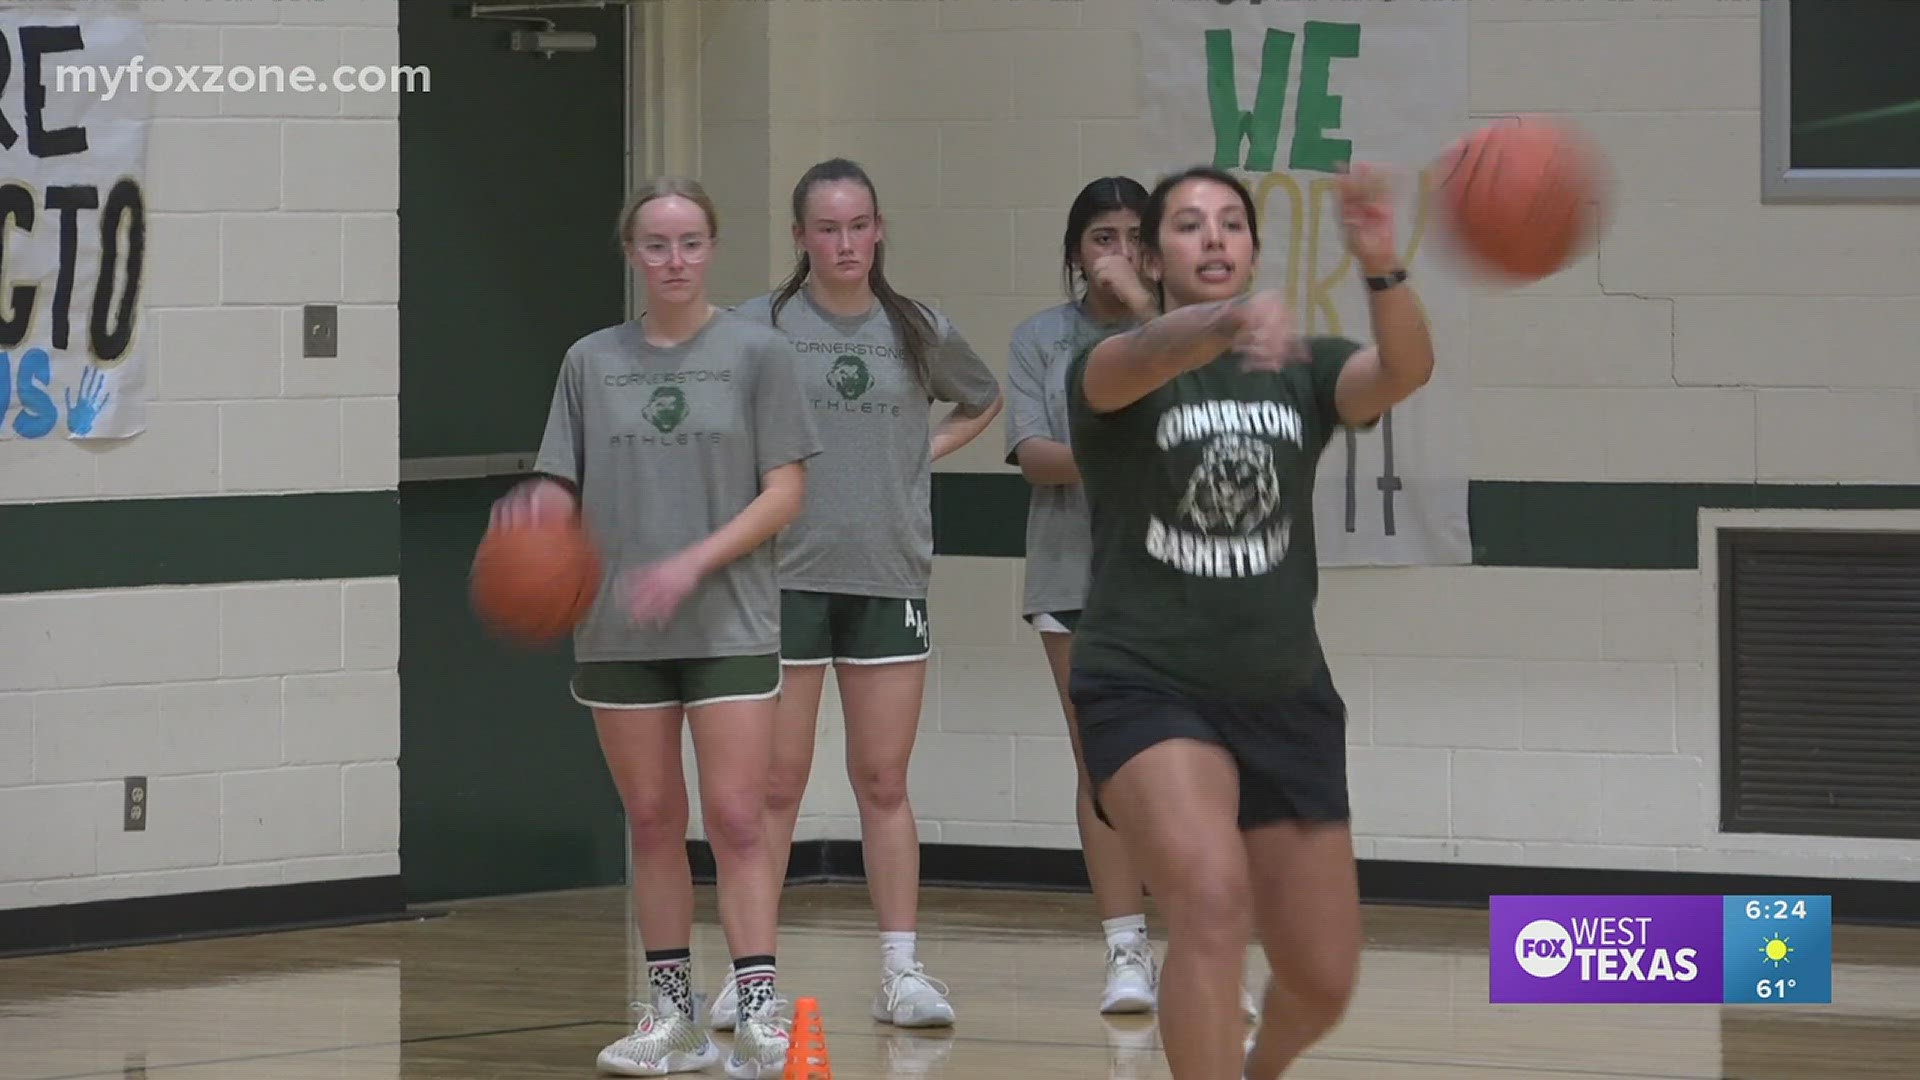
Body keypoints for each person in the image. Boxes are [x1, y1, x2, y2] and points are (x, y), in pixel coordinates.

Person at [1063, 163, 1436, 1080]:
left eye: (1232, 223)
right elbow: (1144, 358)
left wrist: (1382, 263)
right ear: (1152, 256)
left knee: (1322, 977)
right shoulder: (1111, 365)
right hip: (1144, 682)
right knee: (1211, 902)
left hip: (1282, 689)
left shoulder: (1301, 368)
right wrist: (1222, 325)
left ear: (1256, 248)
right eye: (1189, 226)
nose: (1216, 238)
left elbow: (1404, 370)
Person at [493, 177, 823, 1078]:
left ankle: (758, 1011)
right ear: (632, 254)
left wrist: (691, 561)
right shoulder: (589, 362)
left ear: (711, 248)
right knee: (650, 818)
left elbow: (787, 491)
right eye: (655, 245)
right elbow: (562, 481)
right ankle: (671, 1017)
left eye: (688, 243)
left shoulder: (759, 354)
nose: (673, 260)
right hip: (617, 629)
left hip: (730, 620)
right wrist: (531, 509)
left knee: (737, 819)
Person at [712, 157, 1003, 1032]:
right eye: (827, 228)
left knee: (882, 779)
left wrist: (919, 455)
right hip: (786, 576)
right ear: (800, 237)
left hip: (887, 575)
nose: (845, 242)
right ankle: (751, 974)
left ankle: (902, 972)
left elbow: (980, 400)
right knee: (775, 785)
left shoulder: (918, 328)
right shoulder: (755, 329)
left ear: (879, 231)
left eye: (859, 225)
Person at [1004, 175, 1164, 1013]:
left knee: (1190, 762)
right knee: (1100, 759)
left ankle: (1208, 946)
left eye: (1136, 236)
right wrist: (1130, 459)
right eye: (1102, 237)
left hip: (1178, 575)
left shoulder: (1181, 331)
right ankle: (1125, 948)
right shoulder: (1041, 340)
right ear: (1075, 253)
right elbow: (1034, 454)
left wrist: (1145, 309)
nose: (1119, 252)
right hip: (1073, 571)